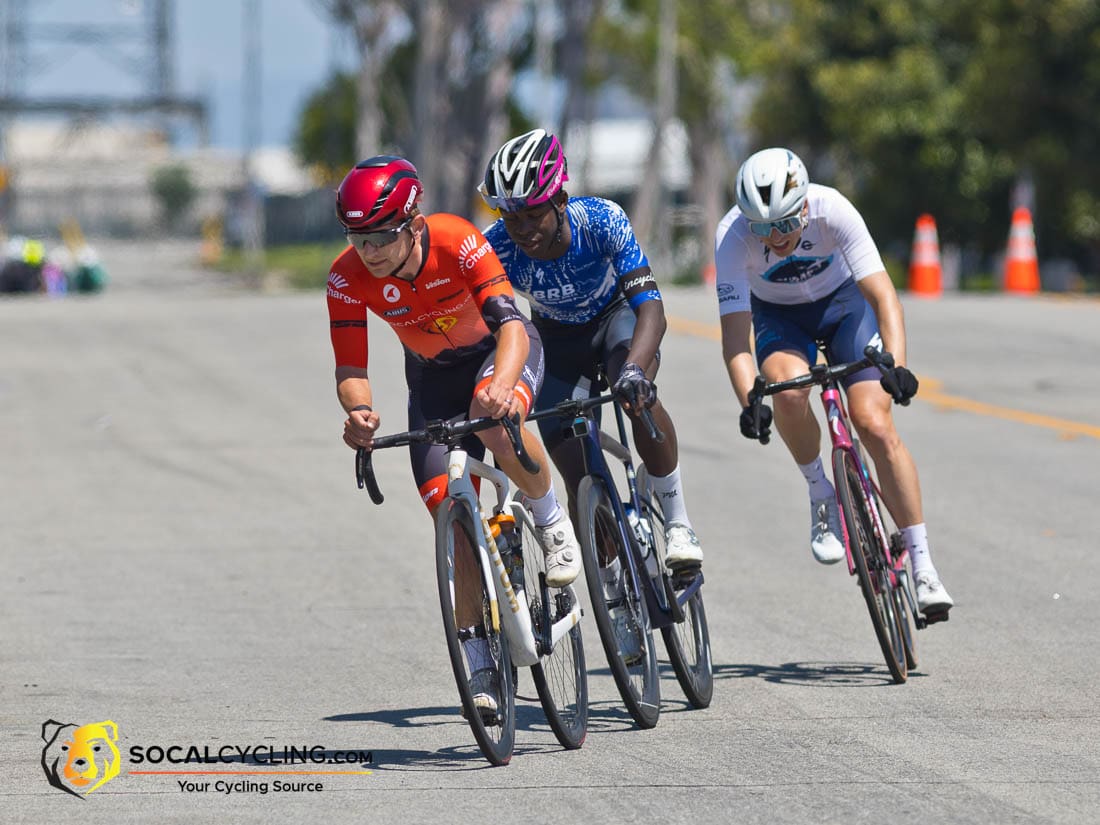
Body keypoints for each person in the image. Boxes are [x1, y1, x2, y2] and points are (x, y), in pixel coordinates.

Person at [328, 155, 582, 718]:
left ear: (414, 223)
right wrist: (361, 412)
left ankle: (548, 516)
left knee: (494, 421)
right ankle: (479, 661)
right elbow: (351, 369)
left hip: (499, 351)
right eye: (357, 238)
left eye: (381, 238)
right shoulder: (345, 277)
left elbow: (512, 325)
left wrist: (505, 385)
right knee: (449, 510)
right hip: (432, 381)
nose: (368, 253)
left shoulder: (456, 240)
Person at [479, 130, 704, 654]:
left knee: (637, 392)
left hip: (616, 323)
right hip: (556, 341)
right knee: (578, 474)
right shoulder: (497, 246)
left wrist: (636, 372)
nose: (523, 230)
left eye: (533, 214)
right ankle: (614, 595)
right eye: (512, 219)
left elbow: (652, 309)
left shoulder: (599, 220)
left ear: (560, 198)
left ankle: (677, 522)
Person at [714, 147, 953, 618]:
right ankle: (820, 490)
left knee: (874, 423)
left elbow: (885, 299)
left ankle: (924, 566)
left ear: (803, 205)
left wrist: (897, 365)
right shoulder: (731, 237)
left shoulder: (833, 209)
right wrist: (749, 401)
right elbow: (736, 341)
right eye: (761, 228)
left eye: (783, 224)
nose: (774, 238)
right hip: (780, 320)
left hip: (845, 308)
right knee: (786, 390)